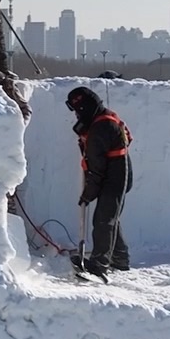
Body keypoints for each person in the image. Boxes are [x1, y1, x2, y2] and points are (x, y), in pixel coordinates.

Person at [66, 85, 131, 280]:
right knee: (109, 217)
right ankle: (120, 258)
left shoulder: (101, 127)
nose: (77, 115)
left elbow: (96, 169)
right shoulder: (101, 119)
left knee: (103, 220)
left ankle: (99, 265)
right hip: (114, 173)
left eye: (78, 111)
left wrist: (88, 194)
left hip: (115, 177)